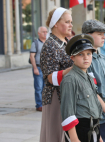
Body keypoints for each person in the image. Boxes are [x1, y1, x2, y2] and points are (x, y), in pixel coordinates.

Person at [60, 34, 105, 142]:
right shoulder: (70, 79)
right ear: (72, 57)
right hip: (80, 133)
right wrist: (74, 139)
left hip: (93, 130)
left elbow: (94, 106)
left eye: (88, 53)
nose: (86, 57)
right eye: (80, 54)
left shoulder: (88, 77)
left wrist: (99, 138)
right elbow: (68, 113)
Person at [82, 19, 105, 142]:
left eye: (104, 34)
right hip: (98, 117)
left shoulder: (103, 59)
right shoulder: (87, 62)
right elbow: (92, 92)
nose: (104, 37)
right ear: (88, 36)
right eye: (99, 34)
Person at [39, 7, 74, 142]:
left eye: (71, 22)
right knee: (55, 136)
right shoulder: (50, 45)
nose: (71, 25)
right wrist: (75, 67)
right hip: (55, 97)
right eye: (67, 22)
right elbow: (50, 77)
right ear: (56, 24)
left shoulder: (66, 43)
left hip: (67, 95)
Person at [29, 26, 48, 111]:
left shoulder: (48, 43)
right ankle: (39, 105)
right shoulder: (35, 43)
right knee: (39, 87)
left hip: (46, 68)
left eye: (46, 31)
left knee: (45, 87)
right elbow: (32, 56)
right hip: (39, 68)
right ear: (39, 33)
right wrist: (35, 68)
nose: (45, 33)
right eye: (43, 32)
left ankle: (45, 104)